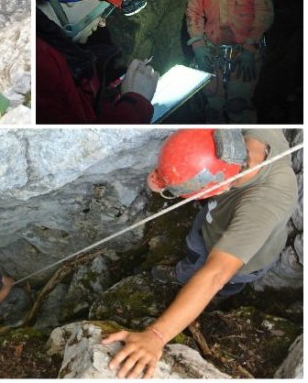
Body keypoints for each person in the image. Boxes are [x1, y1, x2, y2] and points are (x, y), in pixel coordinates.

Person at [102, 129, 297, 378]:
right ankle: (183, 276)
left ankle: (212, 302)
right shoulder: (249, 134)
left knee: (221, 283)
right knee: (194, 255)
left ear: (221, 185)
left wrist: (156, 335)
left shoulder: (265, 203)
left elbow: (216, 273)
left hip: (241, 262)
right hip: (212, 223)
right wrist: (167, 177)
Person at [36, 0, 158, 123]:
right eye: (104, 10)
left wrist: (107, 93)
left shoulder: (55, 51)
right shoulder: (44, 66)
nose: (102, 23)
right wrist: (136, 102)